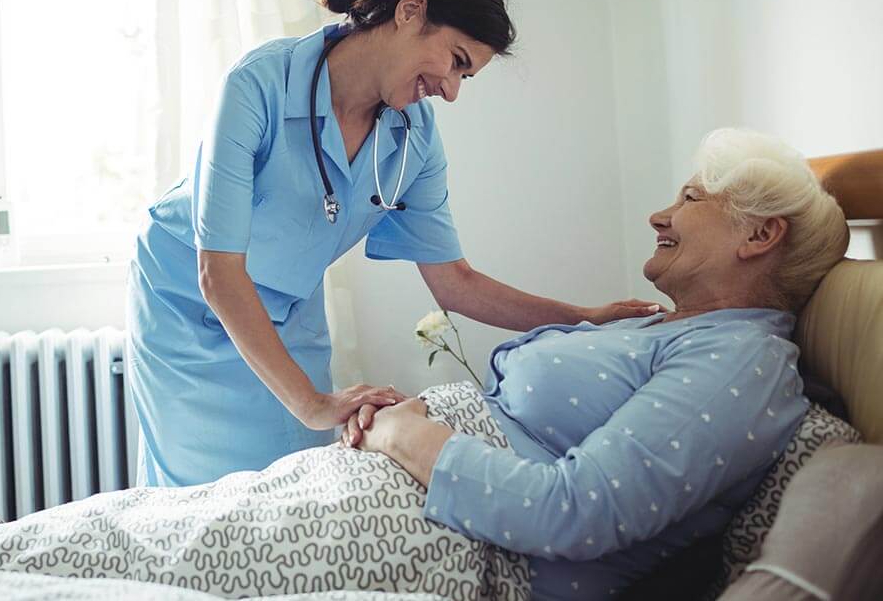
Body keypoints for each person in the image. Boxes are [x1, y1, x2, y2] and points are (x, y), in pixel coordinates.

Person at [126, 0, 660, 488]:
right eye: (455, 60)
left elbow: (456, 284)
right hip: (187, 296)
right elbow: (218, 272)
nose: (451, 91)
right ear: (410, 11)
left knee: (292, 484)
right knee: (201, 491)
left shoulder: (414, 139)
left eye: (466, 78)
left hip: (288, 303)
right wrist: (311, 403)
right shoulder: (259, 84)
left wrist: (584, 318)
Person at [345, 127, 850, 599]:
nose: (659, 216)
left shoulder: (743, 360)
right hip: (385, 501)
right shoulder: (670, 327)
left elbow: (575, 513)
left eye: (691, 198)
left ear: (759, 237)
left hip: (440, 542)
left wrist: (403, 435)